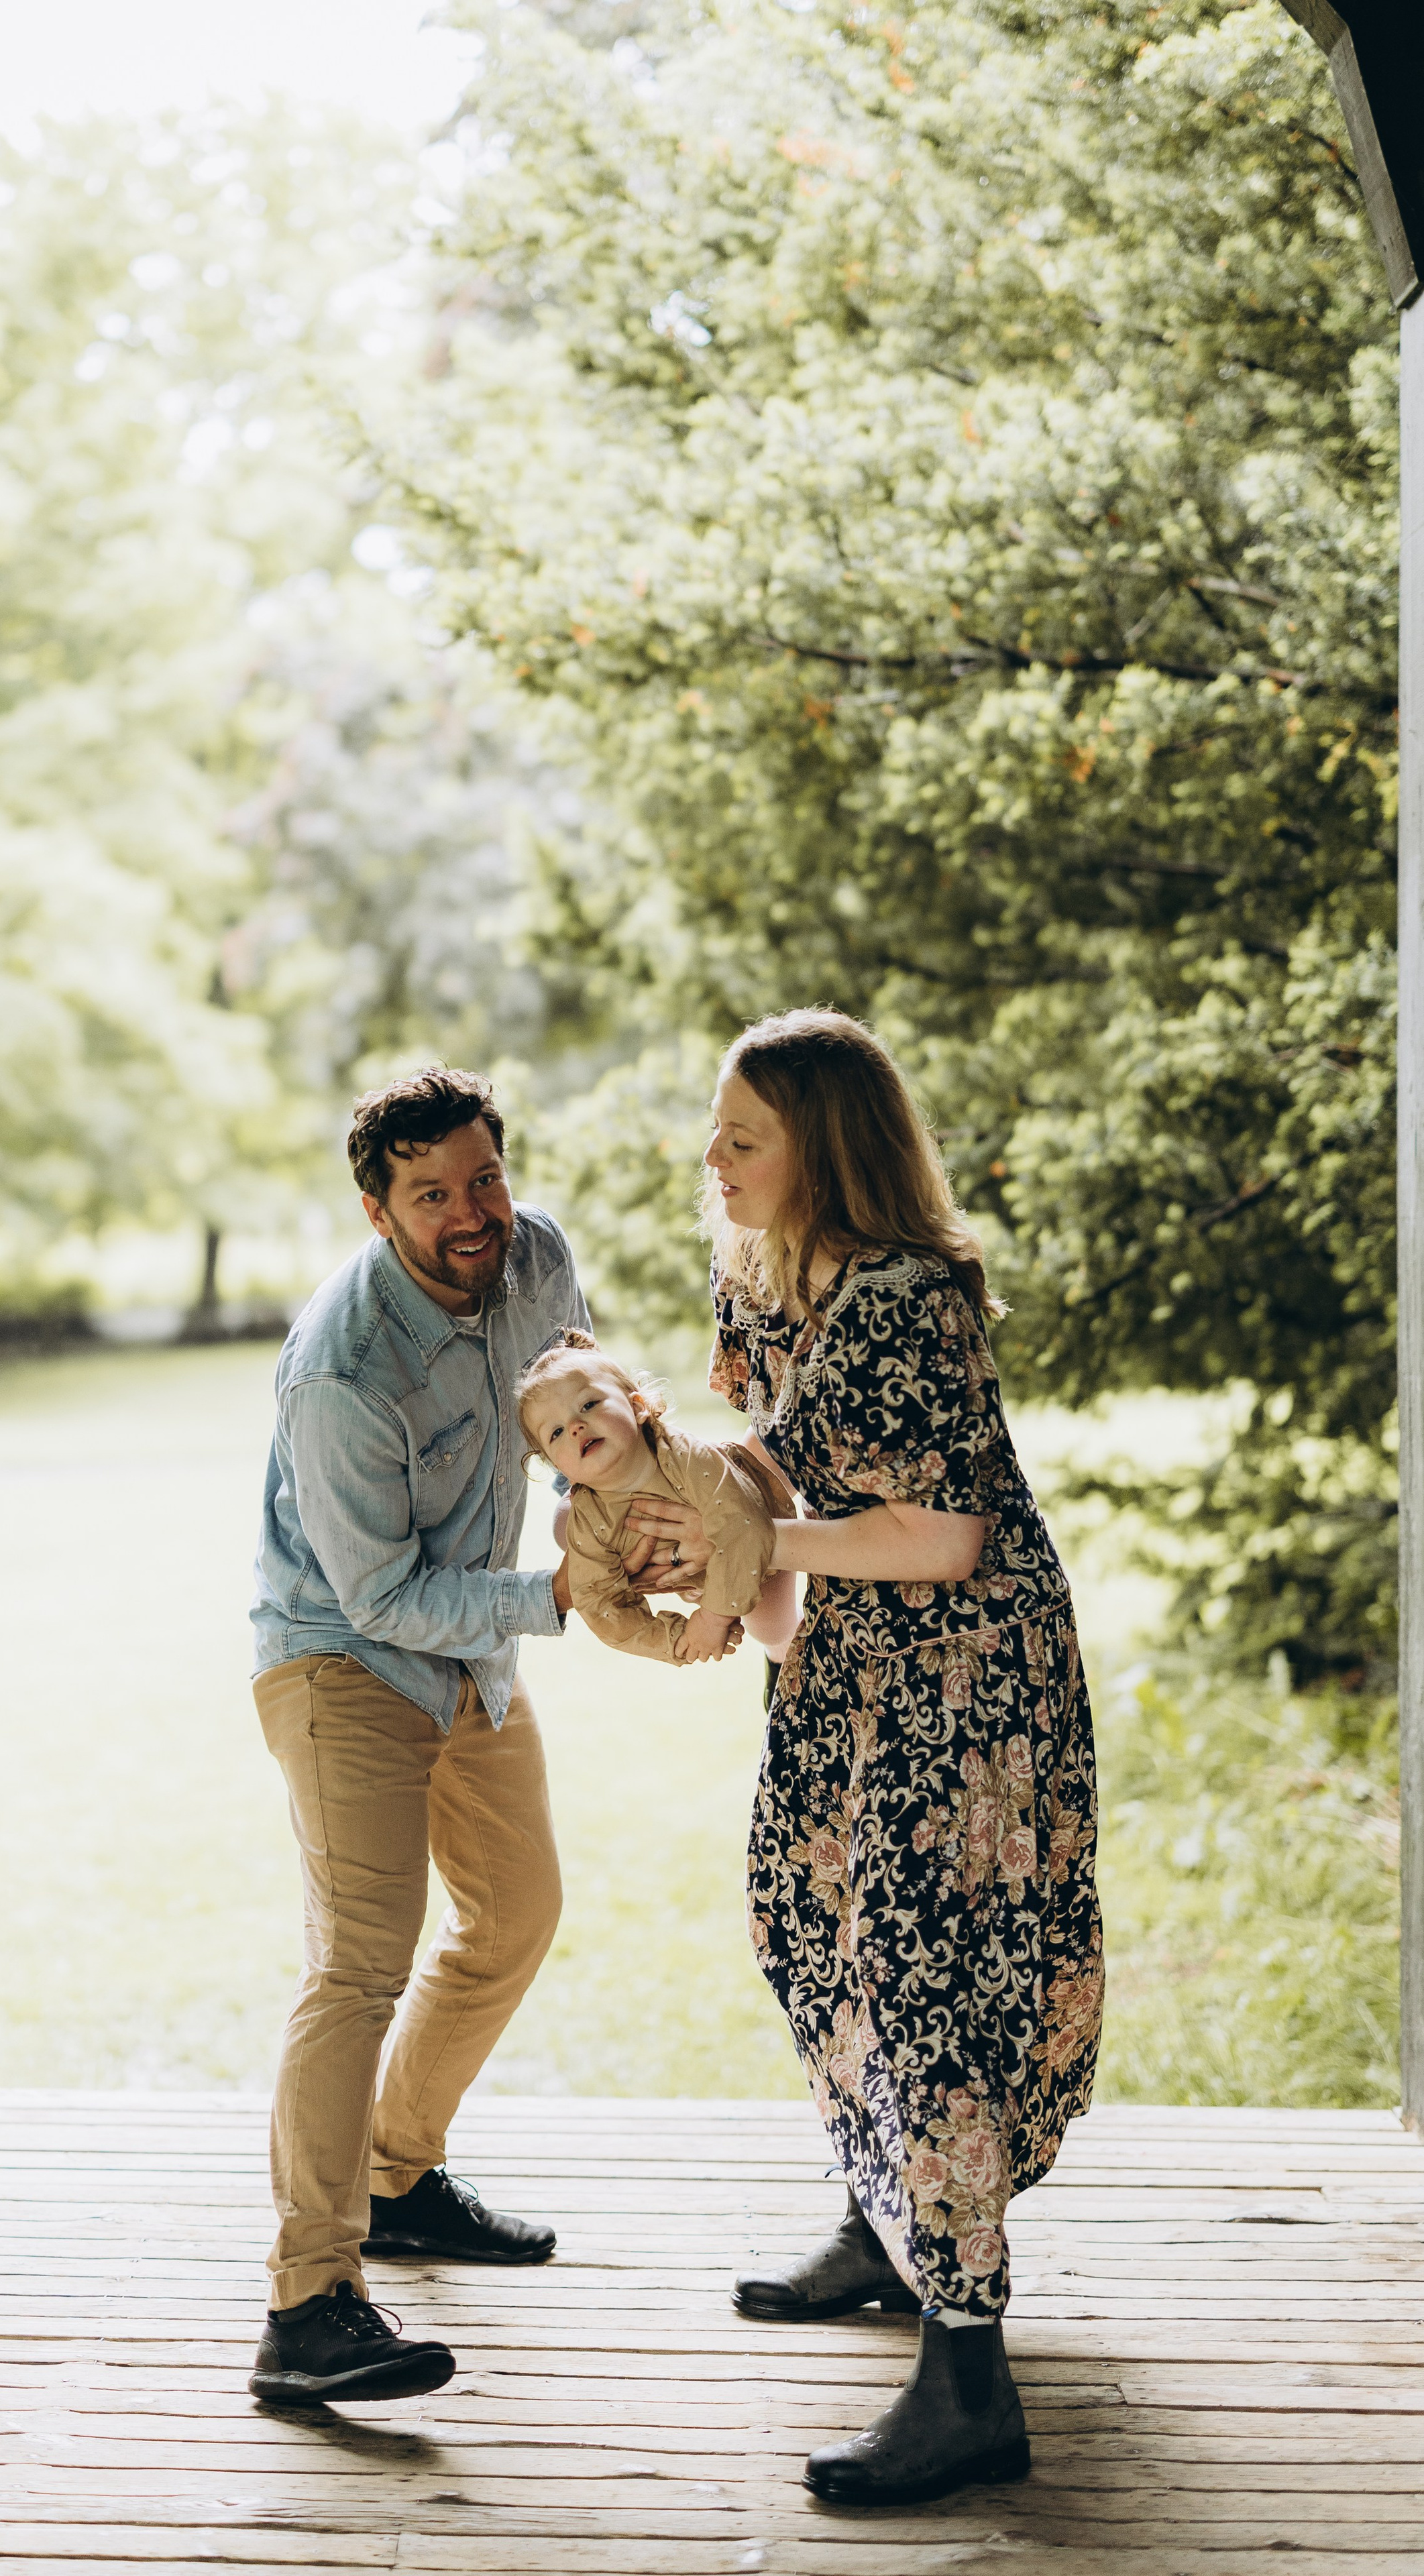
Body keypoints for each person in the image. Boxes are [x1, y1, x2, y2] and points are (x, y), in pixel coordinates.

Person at [620, 1008, 1103, 2508]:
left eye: (743, 1137)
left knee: (928, 1974)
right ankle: (885, 2219)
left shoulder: (909, 1299)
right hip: (846, 1658)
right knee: (803, 1915)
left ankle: (969, 2380)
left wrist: (763, 1545)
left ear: (823, 1152)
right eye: (715, 1129)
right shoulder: (760, 1274)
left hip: (967, 1676)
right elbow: (774, 1463)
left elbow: (942, 1536)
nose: (711, 1157)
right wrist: (706, 1545)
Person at [245, 1067, 587, 2408]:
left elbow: (582, 1413)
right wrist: (557, 1596)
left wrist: (642, 1515)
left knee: (517, 1909)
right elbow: (381, 1594)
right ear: (378, 1209)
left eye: (483, 1177)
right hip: (343, 1655)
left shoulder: (534, 1258)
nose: (471, 1213)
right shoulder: (340, 1365)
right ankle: (307, 2303)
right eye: (432, 1193)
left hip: (469, 1648)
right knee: (356, 1968)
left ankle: (397, 2176)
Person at [517, 1327, 790, 1666]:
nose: (575, 1427)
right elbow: (599, 1603)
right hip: (693, 1573)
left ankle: (782, 1654)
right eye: (556, 1432)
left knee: (773, 1628)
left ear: (637, 1407)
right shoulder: (588, 1519)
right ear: (559, 1467)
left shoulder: (685, 1456)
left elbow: (744, 1525)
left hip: (766, 1541)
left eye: (588, 1405)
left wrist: (713, 1619)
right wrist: (677, 1640)